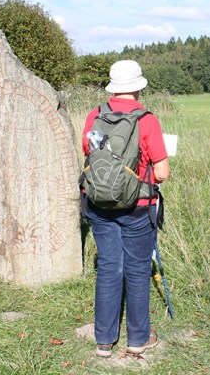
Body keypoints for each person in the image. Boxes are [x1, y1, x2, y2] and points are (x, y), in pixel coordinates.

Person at [81, 59, 170, 359]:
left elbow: (91, 156)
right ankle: (138, 339)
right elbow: (162, 173)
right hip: (137, 207)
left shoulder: (94, 115)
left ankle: (104, 342)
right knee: (136, 270)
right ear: (138, 87)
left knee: (108, 267)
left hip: (98, 204)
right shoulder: (147, 120)